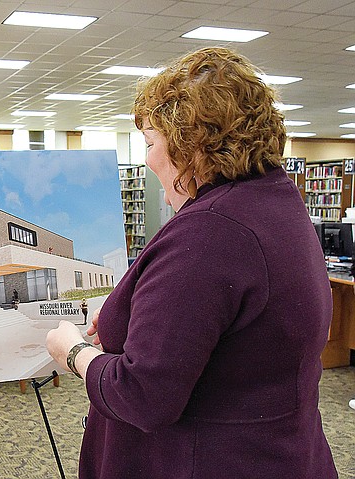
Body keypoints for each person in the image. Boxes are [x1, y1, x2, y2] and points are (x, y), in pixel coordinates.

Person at [46, 47, 336, 479]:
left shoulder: (212, 231)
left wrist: (73, 352)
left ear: (189, 144)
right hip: (277, 451)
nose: (148, 159)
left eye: (149, 143)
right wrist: (145, 308)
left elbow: (143, 394)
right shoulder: (274, 201)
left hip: (204, 461)